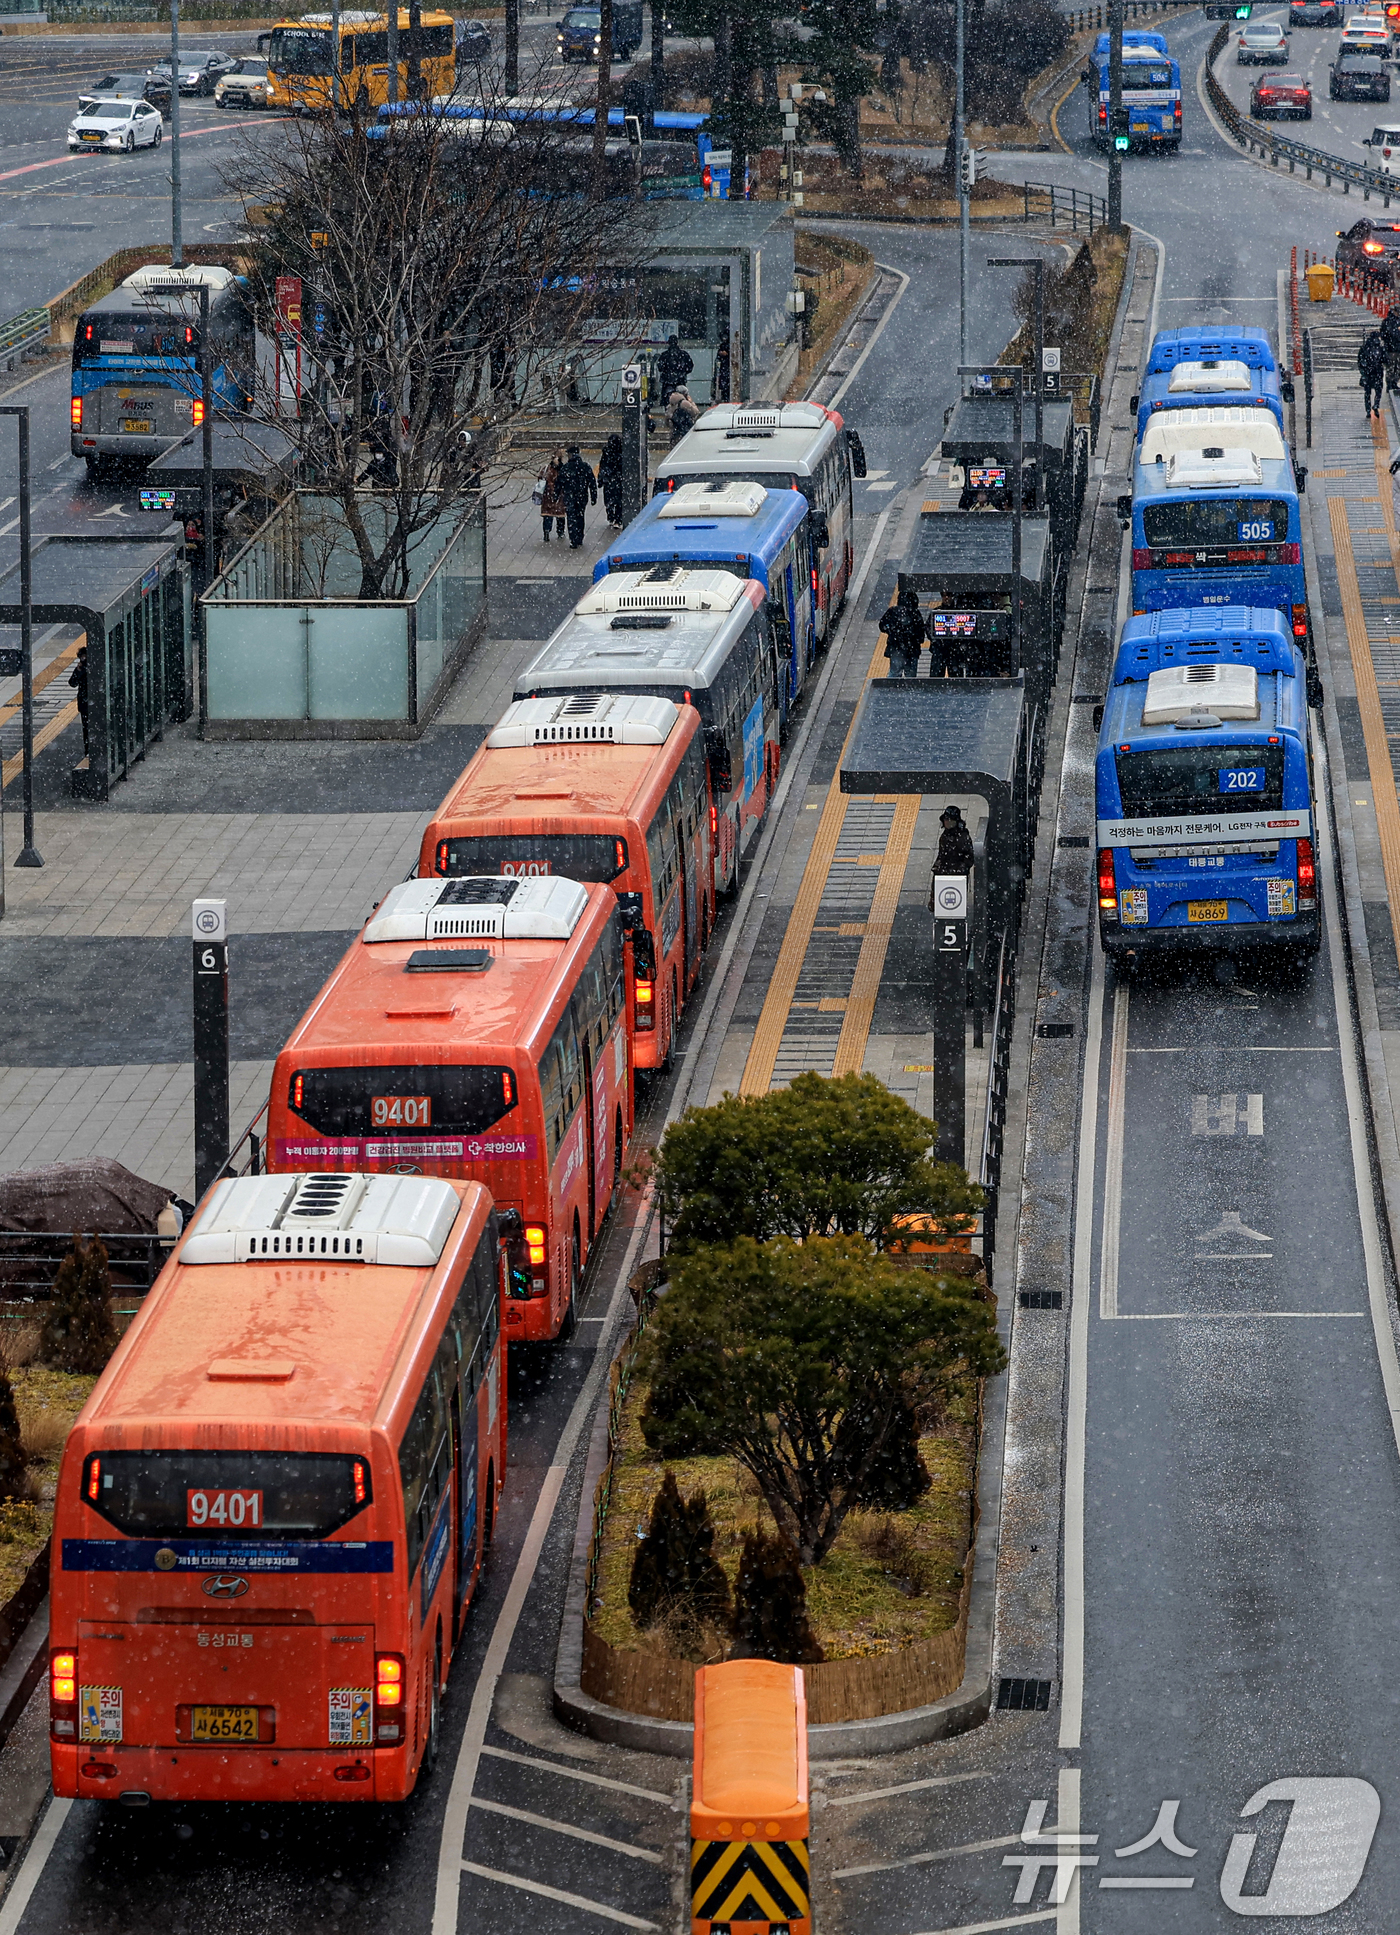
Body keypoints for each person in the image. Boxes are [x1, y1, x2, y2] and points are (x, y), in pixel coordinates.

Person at [878, 588, 926, 678]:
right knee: (910, 677)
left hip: (896, 647)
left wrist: (892, 630)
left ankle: (892, 690)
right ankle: (908, 690)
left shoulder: (893, 611)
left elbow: (882, 625)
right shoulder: (915, 613)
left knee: (894, 674)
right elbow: (921, 633)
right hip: (912, 648)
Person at [558, 444, 597, 549]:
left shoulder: (566, 467)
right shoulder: (585, 466)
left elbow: (559, 482)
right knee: (580, 516)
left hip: (569, 496)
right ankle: (579, 537)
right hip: (582, 496)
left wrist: (556, 496)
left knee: (571, 517)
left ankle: (573, 539)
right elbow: (592, 482)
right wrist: (594, 496)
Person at [931, 803, 975, 880]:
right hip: (945, 873)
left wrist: (961, 868)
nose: (947, 822)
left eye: (950, 820)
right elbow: (941, 855)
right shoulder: (945, 836)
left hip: (958, 875)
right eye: (946, 820)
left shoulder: (962, 837)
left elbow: (969, 856)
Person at [598, 433, 626, 528]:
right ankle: (617, 520)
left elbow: (602, 465)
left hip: (609, 479)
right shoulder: (621, 452)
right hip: (617, 479)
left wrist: (601, 479)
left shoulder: (607, 452)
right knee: (618, 501)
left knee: (609, 500)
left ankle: (611, 517)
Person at [539, 446, 567, 542]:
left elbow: (540, 478)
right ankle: (560, 532)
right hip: (560, 495)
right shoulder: (563, 469)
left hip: (548, 496)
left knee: (548, 515)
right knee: (560, 516)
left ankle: (547, 532)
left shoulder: (546, 469)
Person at [657, 333, 693, 401]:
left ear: (669, 343)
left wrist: (667, 372)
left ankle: (668, 409)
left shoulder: (664, 355)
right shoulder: (684, 355)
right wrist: (682, 372)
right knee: (681, 400)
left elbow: (660, 367)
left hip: (667, 382)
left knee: (668, 401)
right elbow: (690, 367)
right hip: (680, 381)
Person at [68, 644, 89, 758]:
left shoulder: (95, 669)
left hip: (91, 702)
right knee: (86, 730)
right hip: (85, 704)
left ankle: (89, 751)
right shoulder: (80, 669)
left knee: (89, 730)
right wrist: (78, 670)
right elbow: (72, 683)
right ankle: (88, 752)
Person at [1360, 329, 1386, 418]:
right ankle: (1376, 404)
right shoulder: (1381, 348)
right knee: (1378, 390)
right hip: (1378, 371)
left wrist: (1363, 372)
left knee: (1367, 392)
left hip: (1368, 372)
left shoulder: (1364, 348)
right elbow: (1385, 360)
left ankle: (1368, 411)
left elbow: (1360, 361)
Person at [1383, 305, 1400, 395]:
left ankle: (1391, 383)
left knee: (1391, 367)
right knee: (1395, 367)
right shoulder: (1394, 322)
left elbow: (1384, 334)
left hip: (1391, 348)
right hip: (1394, 348)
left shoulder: (1387, 321)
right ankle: (1392, 383)